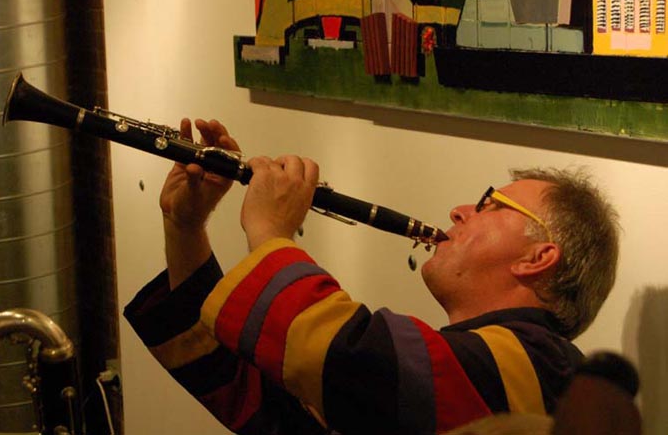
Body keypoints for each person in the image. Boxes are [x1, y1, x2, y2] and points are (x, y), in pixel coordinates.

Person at [124, 119, 621, 434]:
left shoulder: (542, 368)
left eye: (491, 205)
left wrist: (271, 230)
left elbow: (347, 355)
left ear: (537, 257)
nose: (460, 210)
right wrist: (185, 226)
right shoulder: (478, 360)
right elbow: (258, 399)